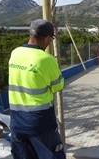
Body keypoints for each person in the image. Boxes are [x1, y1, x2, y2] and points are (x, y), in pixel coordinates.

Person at [9, 19, 65, 159]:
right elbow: (58, 86)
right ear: (47, 37)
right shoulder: (46, 59)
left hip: (16, 120)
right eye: (51, 38)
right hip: (40, 122)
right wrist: (54, 67)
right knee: (51, 154)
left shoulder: (15, 53)